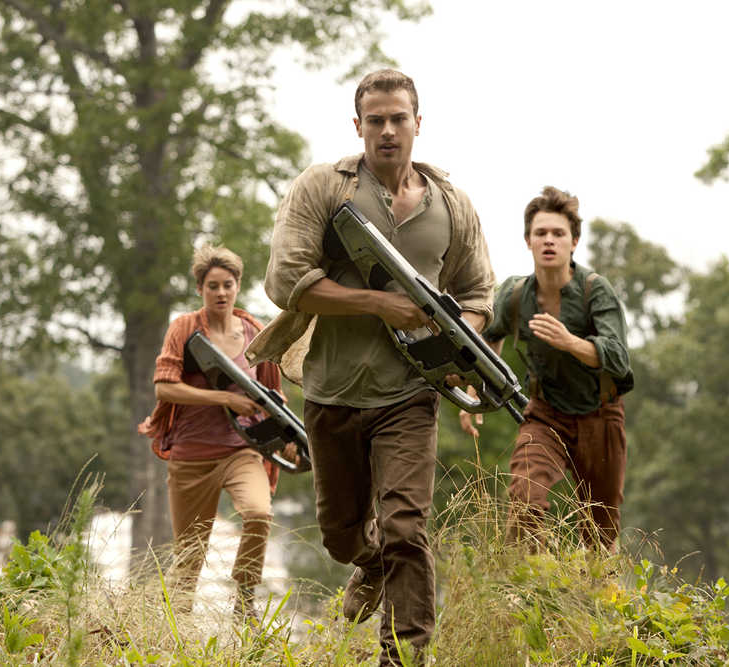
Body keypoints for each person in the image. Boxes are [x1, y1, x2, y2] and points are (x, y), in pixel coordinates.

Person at [247, 69, 495, 665]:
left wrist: (462, 348)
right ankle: (369, 562)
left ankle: (403, 656)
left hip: (410, 394)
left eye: (398, 119)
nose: (388, 131)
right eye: (376, 121)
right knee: (339, 536)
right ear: (358, 127)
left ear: (418, 124)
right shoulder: (322, 188)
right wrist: (380, 303)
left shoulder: (451, 206)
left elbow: (479, 295)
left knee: (407, 528)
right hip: (332, 390)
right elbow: (287, 281)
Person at [460, 186, 633, 553]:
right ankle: (530, 586)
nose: (549, 241)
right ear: (528, 241)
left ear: (574, 242)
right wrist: (473, 391)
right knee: (524, 501)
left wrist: (570, 342)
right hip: (546, 415)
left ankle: (598, 597)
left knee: (601, 532)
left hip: (599, 415)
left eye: (558, 233)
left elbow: (618, 359)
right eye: (541, 233)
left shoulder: (595, 291)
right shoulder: (516, 293)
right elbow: (489, 339)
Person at [138, 244, 287, 621]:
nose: (221, 293)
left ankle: (244, 600)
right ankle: (174, 639)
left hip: (242, 451)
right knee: (188, 557)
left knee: (258, 513)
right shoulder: (185, 329)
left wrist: (287, 437)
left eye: (228, 285)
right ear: (200, 290)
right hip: (192, 456)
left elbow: (274, 394)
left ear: (238, 287)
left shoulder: (256, 332)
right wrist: (223, 397)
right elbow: (165, 387)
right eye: (212, 286)